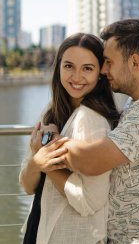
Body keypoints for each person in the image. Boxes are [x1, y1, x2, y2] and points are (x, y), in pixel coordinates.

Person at [49, 19, 139, 243]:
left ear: (134, 62)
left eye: (108, 62)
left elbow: (91, 161)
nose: (104, 71)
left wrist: (48, 143)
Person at [19, 33, 120, 244]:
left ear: (100, 73)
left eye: (87, 68)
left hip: (71, 236)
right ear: (58, 68)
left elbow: (89, 201)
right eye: (69, 66)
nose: (76, 77)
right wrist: (36, 162)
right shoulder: (52, 111)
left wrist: (45, 164)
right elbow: (28, 186)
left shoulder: (91, 120)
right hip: (41, 226)